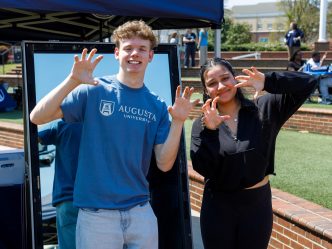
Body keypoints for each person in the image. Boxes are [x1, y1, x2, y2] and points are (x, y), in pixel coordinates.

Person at [30, 20, 199, 249]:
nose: (134, 54)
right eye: (128, 48)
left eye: (141, 49)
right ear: (117, 53)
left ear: (150, 56)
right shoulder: (94, 89)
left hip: (141, 212)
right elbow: (37, 117)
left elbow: (164, 163)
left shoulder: (156, 105)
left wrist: (178, 122)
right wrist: (72, 81)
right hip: (96, 215)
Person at [190, 58, 317, 249]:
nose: (221, 86)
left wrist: (268, 81)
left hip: (256, 206)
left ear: (236, 79)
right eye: (212, 83)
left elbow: (308, 82)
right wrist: (210, 131)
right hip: (218, 206)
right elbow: (202, 167)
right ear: (206, 90)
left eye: (225, 78)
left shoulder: (265, 108)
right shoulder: (201, 124)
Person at [38, 121, 82, 249]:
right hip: (98, 201)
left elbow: (33, 138)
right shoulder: (101, 124)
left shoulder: (62, 125)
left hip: (67, 200)